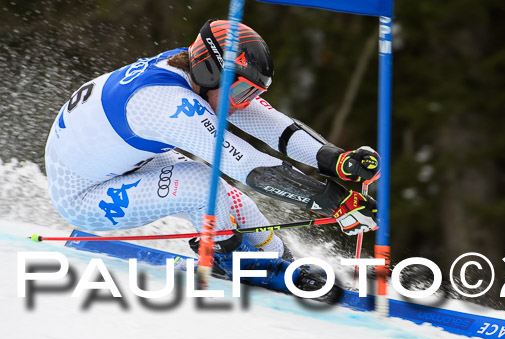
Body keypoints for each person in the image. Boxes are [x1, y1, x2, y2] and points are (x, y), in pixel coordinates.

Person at [44, 19, 380, 292]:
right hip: (83, 196)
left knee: (236, 204)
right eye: (241, 90)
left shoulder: (194, 69)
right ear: (210, 72)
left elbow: (274, 126)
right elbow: (246, 164)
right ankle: (233, 261)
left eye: (252, 92)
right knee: (202, 184)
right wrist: (329, 199)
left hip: (118, 165)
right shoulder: (165, 102)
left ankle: (279, 261)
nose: (243, 101)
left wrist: (336, 161)